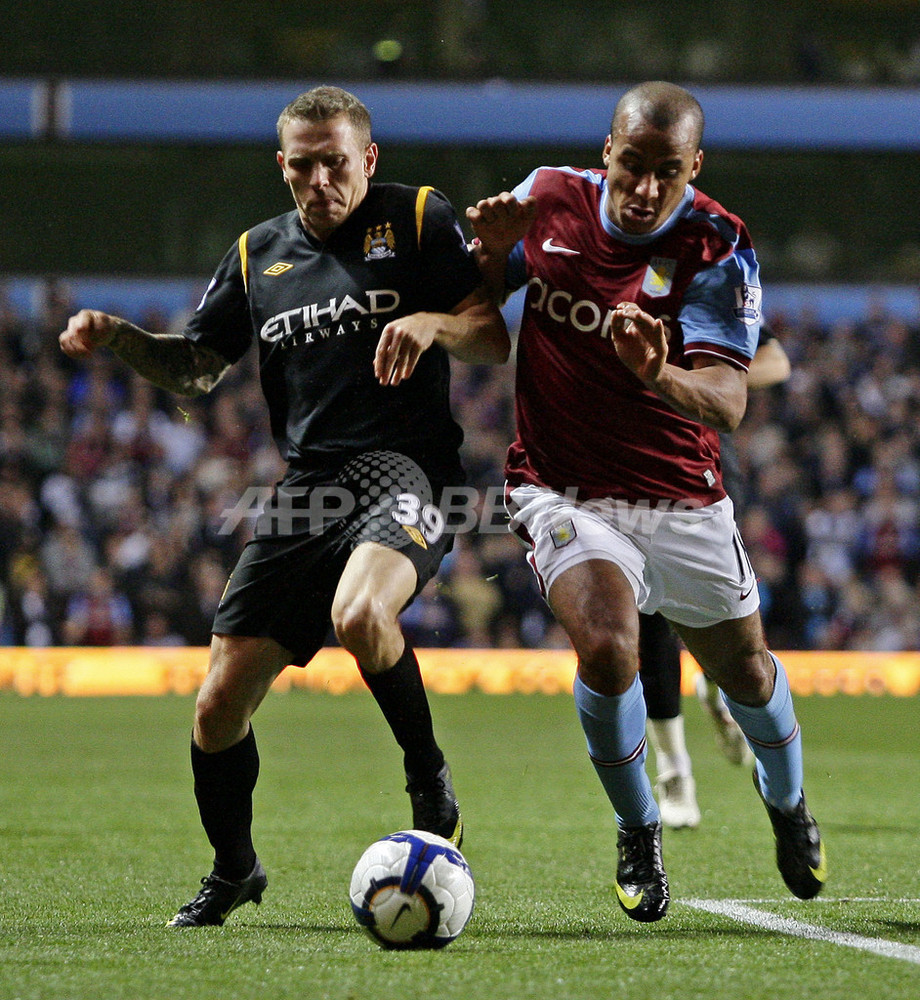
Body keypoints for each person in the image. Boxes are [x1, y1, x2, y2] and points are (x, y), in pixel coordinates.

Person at [59, 85, 509, 927]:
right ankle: (235, 870)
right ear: (282, 167)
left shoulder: (416, 216)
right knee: (217, 704)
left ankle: (429, 781)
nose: (318, 180)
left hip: (407, 470)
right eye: (301, 166)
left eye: (334, 162)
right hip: (310, 491)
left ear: (366, 159)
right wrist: (118, 336)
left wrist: (428, 325)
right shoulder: (254, 253)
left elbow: (489, 331)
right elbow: (196, 369)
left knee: (361, 614)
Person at [468, 80, 825, 923]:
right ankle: (639, 827)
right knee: (607, 644)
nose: (644, 189)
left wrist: (654, 373)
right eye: (632, 165)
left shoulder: (717, 244)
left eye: (667, 172)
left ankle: (788, 806)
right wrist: (488, 253)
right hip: (564, 488)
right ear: (607, 152)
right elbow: (479, 308)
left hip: (681, 498)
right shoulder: (548, 198)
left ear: (692, 168)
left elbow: (729, 402)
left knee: (746, 672)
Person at [642, 329, 791, 830]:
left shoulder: (702, 281)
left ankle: (713, 682)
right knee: (649, 617)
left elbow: (775, 361)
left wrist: (702, 381)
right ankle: (674, 770)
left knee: (716, 607)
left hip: (703, 465)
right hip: (625, 464)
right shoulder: (598, 277)